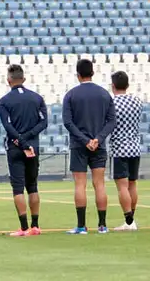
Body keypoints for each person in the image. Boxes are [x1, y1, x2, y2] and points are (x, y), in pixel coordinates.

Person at [62, 59, 116, 235]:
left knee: (80, 184)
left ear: (78, 74)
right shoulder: (104, 94)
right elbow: (111, 121)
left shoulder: (71, 95)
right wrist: (98, 139)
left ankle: (81, 226)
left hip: (79, 145)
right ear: (92, 72)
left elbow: (68, 122)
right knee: (99, 184)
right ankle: (102, 225)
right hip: (98, 145)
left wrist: (85, 140)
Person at [0, 64, 47, 237]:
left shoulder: (4, 101)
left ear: (8, 80)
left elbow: (7, 125)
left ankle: (24, 227)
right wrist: (28, 138)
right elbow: (44, 122)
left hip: (15, 146)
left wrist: (20, 140)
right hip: (33, 147)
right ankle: (35, 225)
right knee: (32, 186)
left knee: (18, 188)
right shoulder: (37, 98)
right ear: (24, 79)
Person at [109, 71, 144, 232]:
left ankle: (128, 220)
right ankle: (132, 218)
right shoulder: (136, 101)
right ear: (127, 85)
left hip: (119, 148)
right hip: (135, 147)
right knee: (132, 184)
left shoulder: (112, 103)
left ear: (113, 86)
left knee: (122, 186)